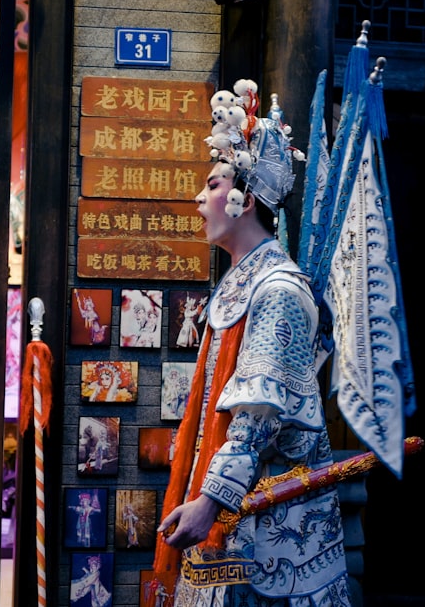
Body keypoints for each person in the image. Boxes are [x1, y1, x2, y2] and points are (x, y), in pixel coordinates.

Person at [151, 81, 350, 606]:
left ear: (247, 200)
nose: (200, 196)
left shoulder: (278, 288)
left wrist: (210, 502)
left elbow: (259, 411)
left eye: (214, 184)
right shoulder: (243, 280)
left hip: (269, 520)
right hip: (236, 507)